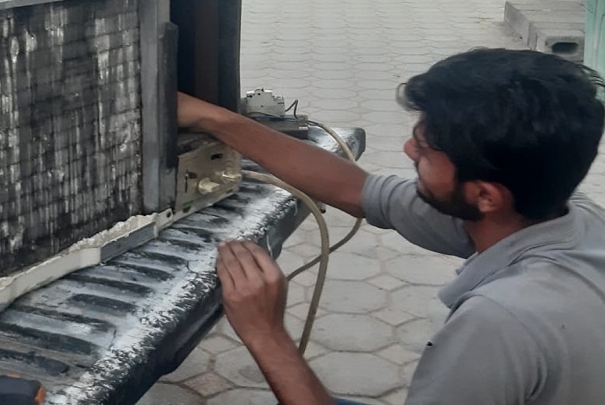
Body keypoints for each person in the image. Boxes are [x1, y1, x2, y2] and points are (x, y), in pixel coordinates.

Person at [177, 48, 605, 404]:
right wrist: (214, 119)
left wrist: (266, 333)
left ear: (486, 196)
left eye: (426, 149)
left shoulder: (500, 322)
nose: (407, 149)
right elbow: (359, 190)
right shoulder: (562, 212)